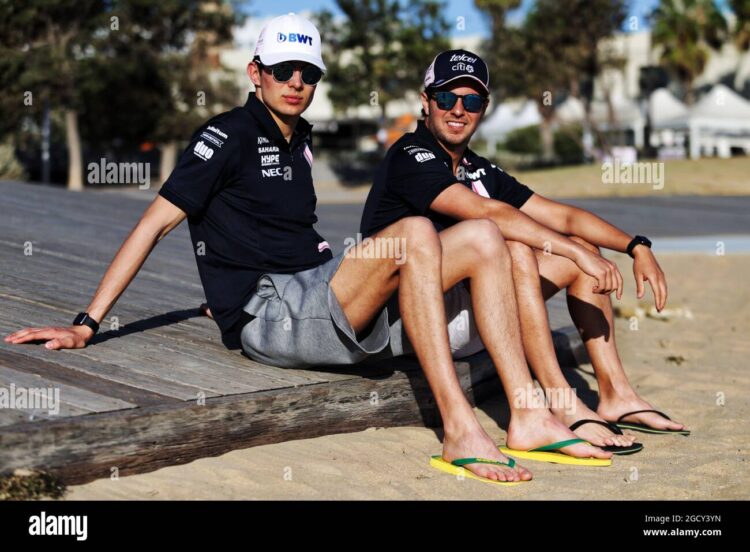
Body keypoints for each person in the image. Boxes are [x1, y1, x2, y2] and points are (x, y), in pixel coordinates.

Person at [5, 20, 613, 486]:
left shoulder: (298, 142)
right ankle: (459, 429)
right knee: (419, 231)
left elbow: (266, 230)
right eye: (283, 69)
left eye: (308, 73)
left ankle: (530, 413)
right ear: (255, 72)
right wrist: (87, 324)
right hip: (272, 309)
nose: (297, 82)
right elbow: (153, 225)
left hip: (318, 287)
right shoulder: (226, 135)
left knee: (486, 239)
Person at [360, 50, 689, 451]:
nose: (458, 110)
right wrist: (573, 251)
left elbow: (562, 217)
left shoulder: (478, 169)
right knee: (516, 246)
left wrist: (635, 246)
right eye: (446, 98)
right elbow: (484, 212)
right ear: (425, 101)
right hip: (414, 323)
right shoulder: (411, 156)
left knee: (582, 252)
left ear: (484, 108)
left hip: (472, 314)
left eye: (472, 101)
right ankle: (561, 406)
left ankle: (615, 394)